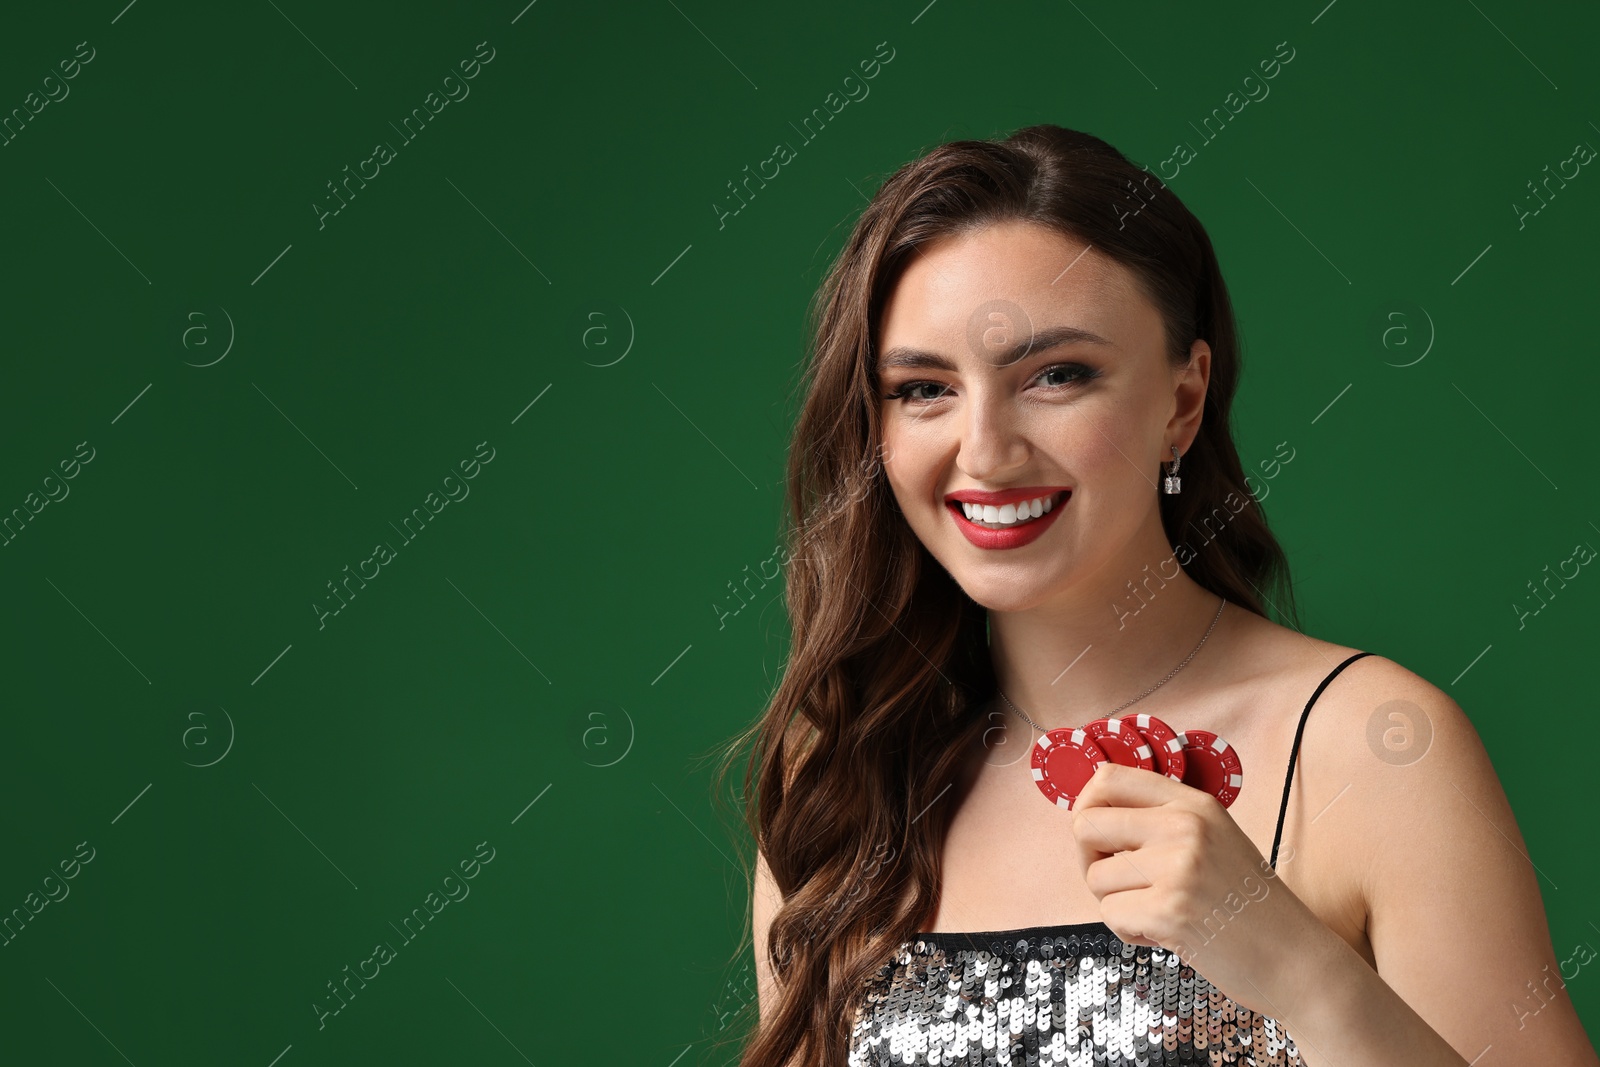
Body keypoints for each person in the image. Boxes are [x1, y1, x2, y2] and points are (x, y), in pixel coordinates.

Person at [719, 124, 1599, 1066]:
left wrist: (1293, 963)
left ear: (1182, 402)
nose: (983, 450)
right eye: (924, 388)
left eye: (1056, 375)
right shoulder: (846, 788)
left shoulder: (1376, 746)